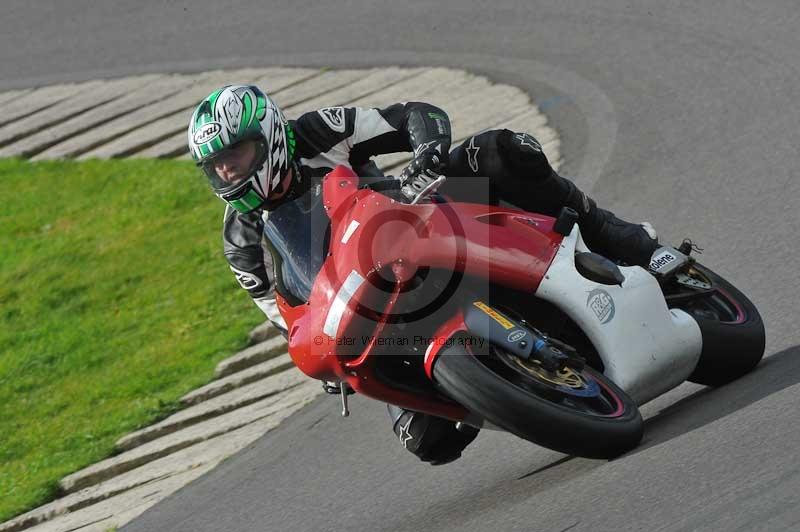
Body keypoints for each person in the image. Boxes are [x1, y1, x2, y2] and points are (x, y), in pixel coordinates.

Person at [187, 84, 660, 466]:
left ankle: (613, 233)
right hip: (366, 302)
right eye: (217, 166)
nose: (229, 171)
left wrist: (427, 156)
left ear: (268, 135)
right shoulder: (242, 242)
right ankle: (515, 386)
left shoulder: (316, 133)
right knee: (428, 441)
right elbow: (283, 313)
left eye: (238, 154)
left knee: (502, 152)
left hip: (420, 220)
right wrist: (324, 359)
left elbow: (416, 115)